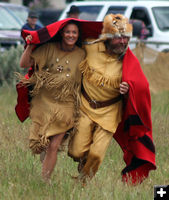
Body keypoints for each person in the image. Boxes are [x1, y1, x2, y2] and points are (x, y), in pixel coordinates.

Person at [68, 14, 156, 185]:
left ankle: (82, 184)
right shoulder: (90, 48)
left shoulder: (128, 60)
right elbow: (67, 48)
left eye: (126, 38)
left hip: (110, 112)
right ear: (108, 37)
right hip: (85, 107)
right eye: (118, 38)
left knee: (96, 155)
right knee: (76, 151)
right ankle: (82, 162)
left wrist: (127, 90)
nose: (123, 42)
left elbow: (140, 85)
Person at [15, 18, 102, 182]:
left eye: (74, 32)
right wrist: (31, 45)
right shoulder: (48, 49)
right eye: (68, 31)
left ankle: (45, 181)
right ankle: (44, 149)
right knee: (41, 144)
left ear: (78, 35)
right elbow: (23, 63)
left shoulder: (82, 54)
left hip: (67, 103)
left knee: (54, 146)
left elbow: (93, 76)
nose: (71, 35)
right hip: (44, 101)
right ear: (61, 33)